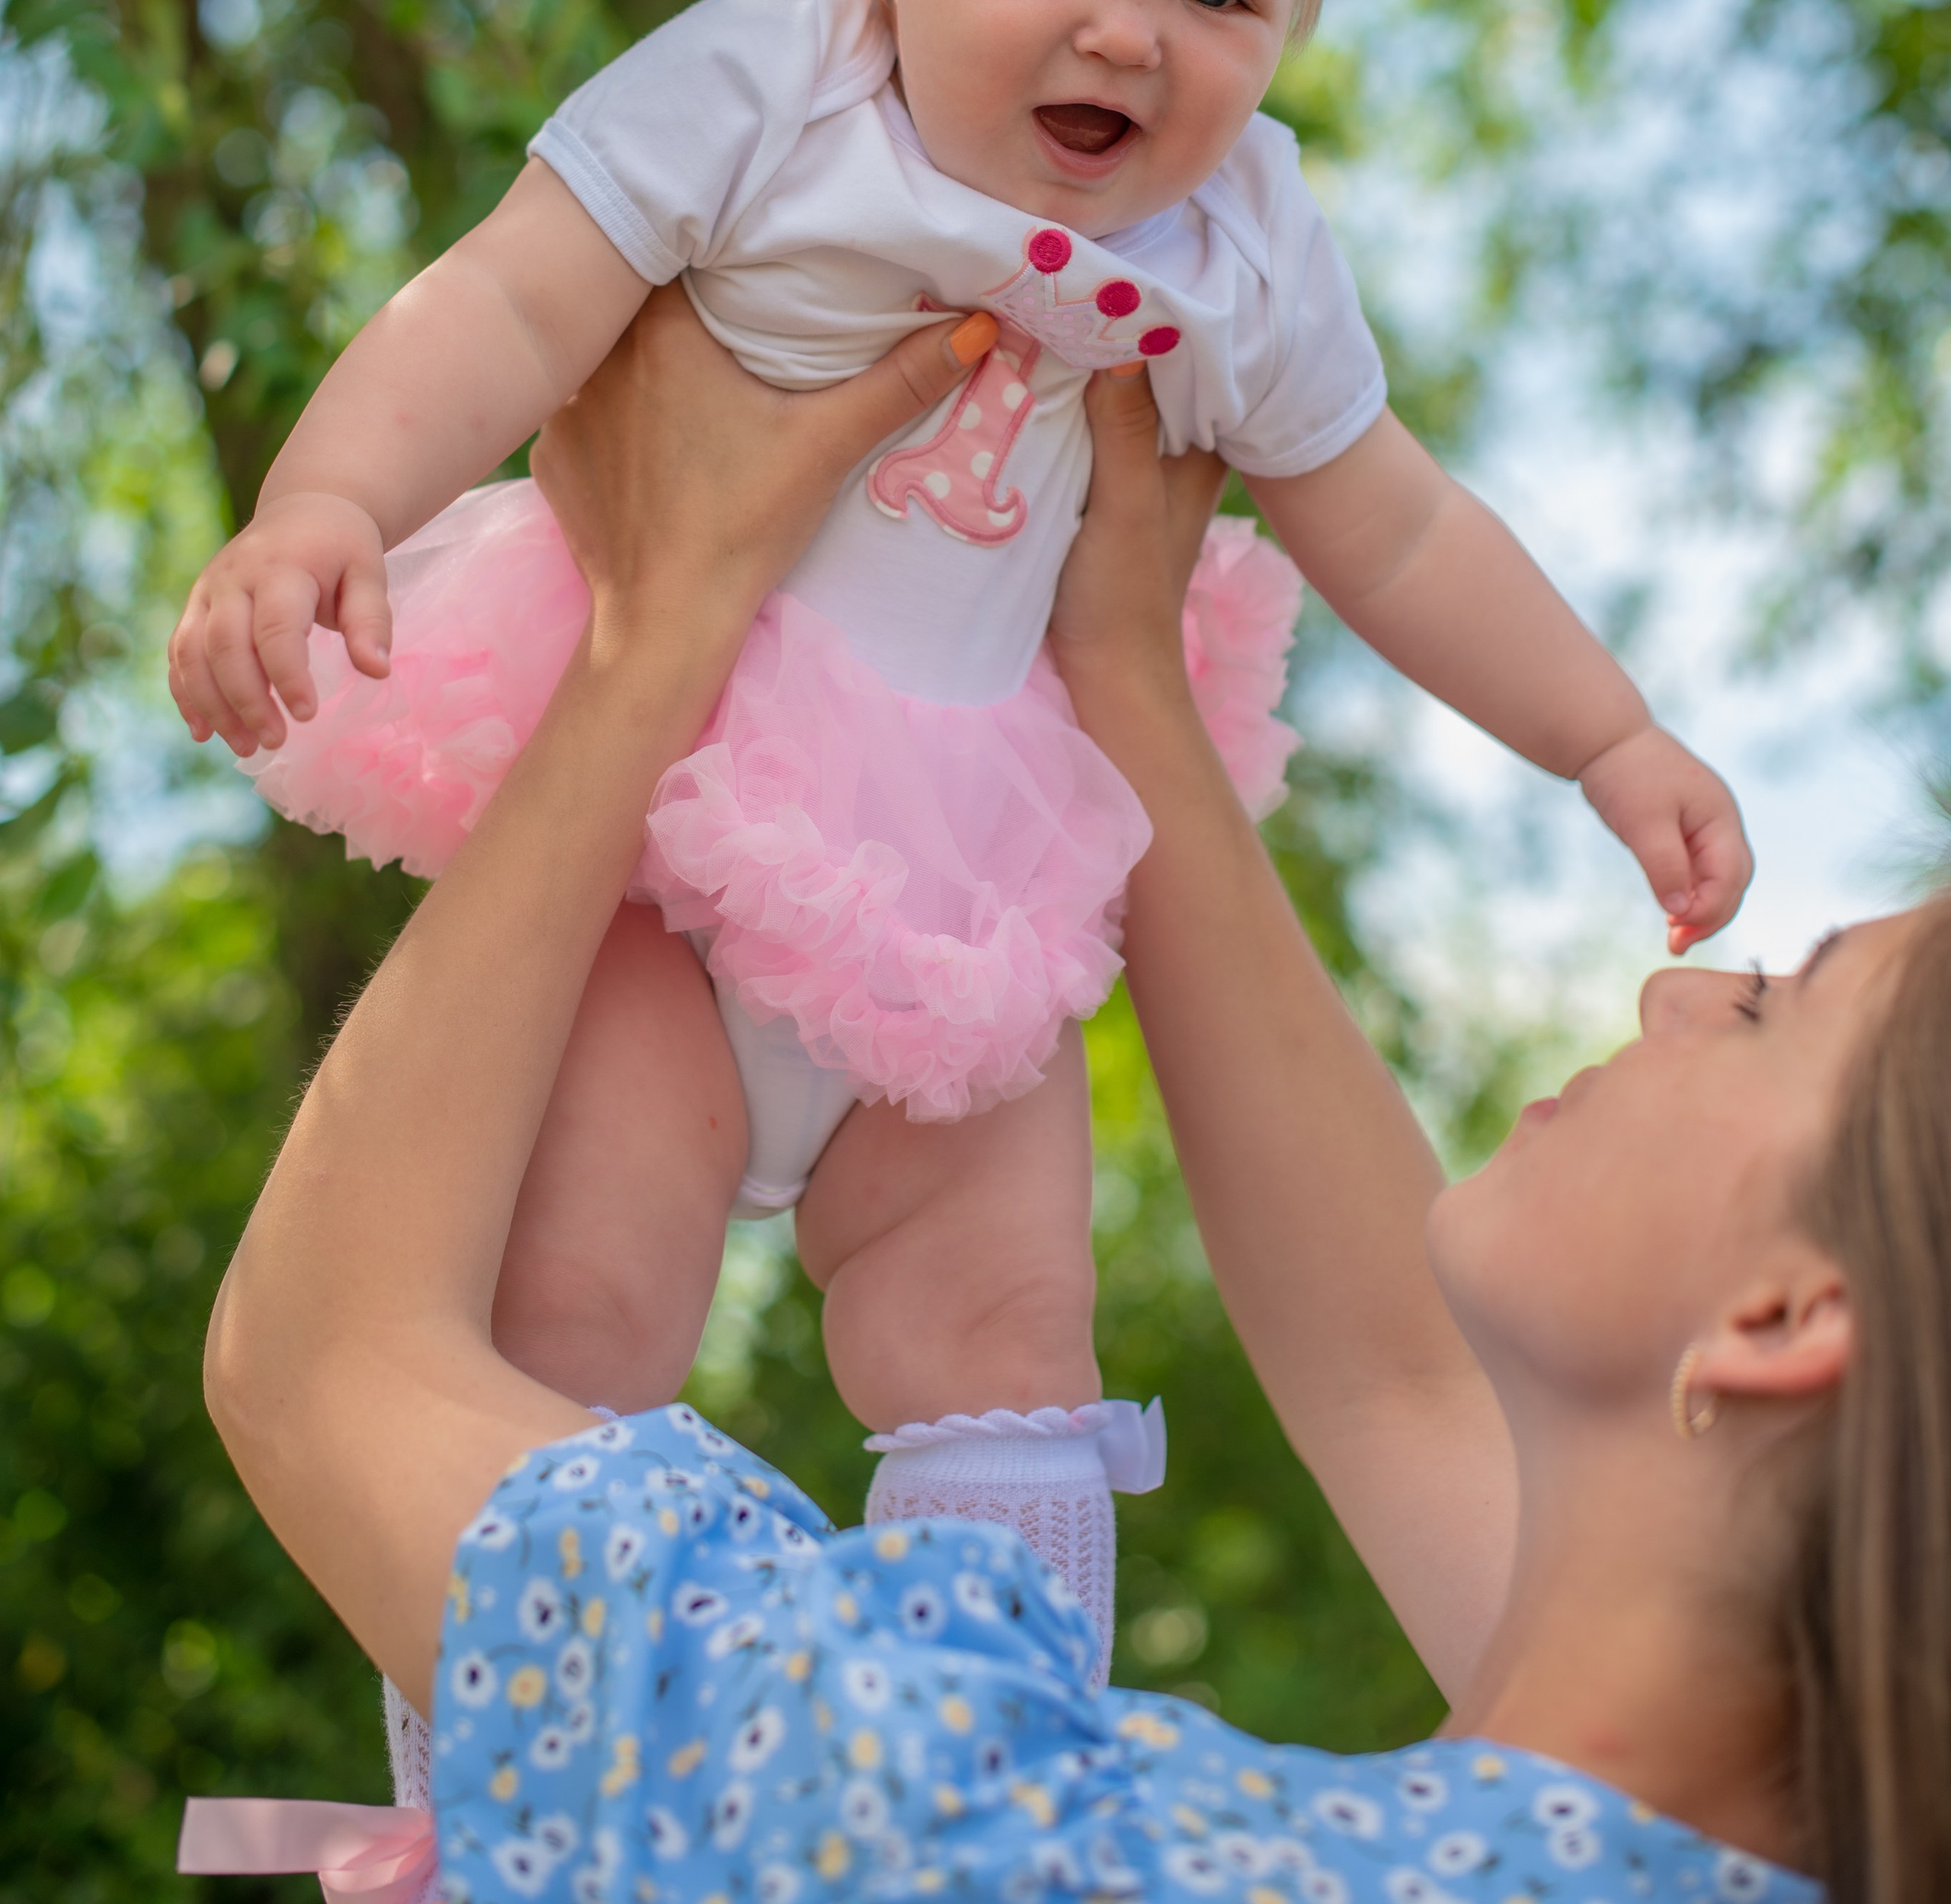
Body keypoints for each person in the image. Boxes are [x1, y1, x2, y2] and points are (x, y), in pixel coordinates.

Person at [169, 0, 1749, 1641]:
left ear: (1292, 25)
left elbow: (1392, 528)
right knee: (575, 1297)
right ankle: (503, 1791)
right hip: (671, 831)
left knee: (1003, 1330)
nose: (1129, 36)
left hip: (978, 876)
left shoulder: (1249, 244)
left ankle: (991, 1759)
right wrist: (325, 495)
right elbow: (513, 296)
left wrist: (1606, 739)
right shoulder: (779, 79)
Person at [192, 289, 1951, 1904]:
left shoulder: (985, 1828)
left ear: (1792, 1311)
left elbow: (330, 1363)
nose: (1677, 980)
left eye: (1770, 1007)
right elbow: (1393, 1367)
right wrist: (1118, 670)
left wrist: (654, 637)